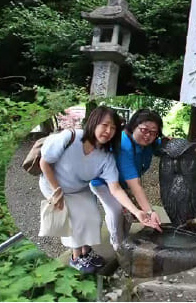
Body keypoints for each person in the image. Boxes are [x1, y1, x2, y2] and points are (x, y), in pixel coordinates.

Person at [39, 106, 159, 273]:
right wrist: (56, 190)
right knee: (76, 218)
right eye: (105, 125)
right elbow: (44, 163)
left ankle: (86, 253)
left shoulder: (106, 156)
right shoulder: (71, 137)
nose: (108, 131)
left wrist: (137, 212)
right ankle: (76, 258)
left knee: (93, 217)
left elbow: (116, 189)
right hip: (53, 185)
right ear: (93, 122)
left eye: (113, 128)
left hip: (79, 188)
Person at [91, 109, 164, 251]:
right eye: (144, 130)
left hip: (123, 184)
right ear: (133, 126)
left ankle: (124, 237)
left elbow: (161, 143)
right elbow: (135, 186)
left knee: (131, 211)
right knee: (116, 210)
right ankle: (118, 244)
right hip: (102, 182)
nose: (148, 135)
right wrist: (150, 211)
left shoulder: (149, 143)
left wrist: (168, 140)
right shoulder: (124, 145)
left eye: (153, 132)